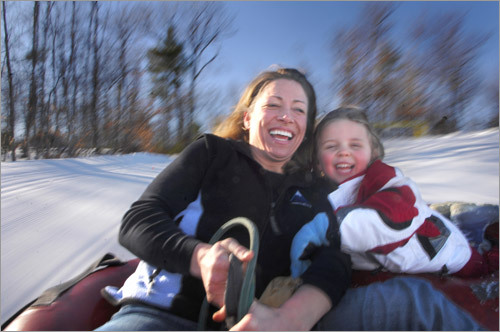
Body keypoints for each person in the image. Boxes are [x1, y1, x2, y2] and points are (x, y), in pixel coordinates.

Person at [96, 67, 352, 331]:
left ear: (307, 128)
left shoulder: (313, 192)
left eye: (299, 110)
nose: (286, 116)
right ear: (247, 118)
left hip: (258, 323)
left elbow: (334, 260)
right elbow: (139, 220)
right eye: (273, 105)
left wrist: (290, 319)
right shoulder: (211, 154)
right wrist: (200, 257)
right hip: (160, 315)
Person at [292, 106, 489, 279]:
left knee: (482, 266)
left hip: (444, 251)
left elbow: (393, 217)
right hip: (381, 260)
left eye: (355, 145)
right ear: (317, 160)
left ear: (373, 152)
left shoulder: (382, 177)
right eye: (331, 146)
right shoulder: (321, 192)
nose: (344, 152)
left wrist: (324, 227)